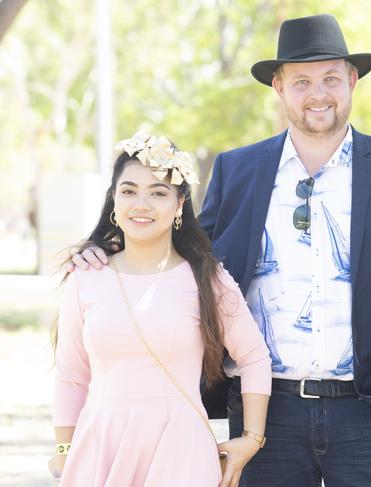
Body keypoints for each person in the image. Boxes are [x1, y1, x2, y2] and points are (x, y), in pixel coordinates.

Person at [71, 14, 371, 487]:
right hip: (264, 410)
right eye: (302, 81)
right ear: (279, 88)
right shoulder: (238, 169)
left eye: (330, 78)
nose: (318, 93)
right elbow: (184, 254)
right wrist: (106, 245)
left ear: (351, 81)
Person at [51, 133, 272, 487]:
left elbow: (254, 356)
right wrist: (64, 450)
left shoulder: (206, 278)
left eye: (158, 192)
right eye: (128, 191)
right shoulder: (86, 276)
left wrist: (251, 438)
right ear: (114, 199)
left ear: (180, 203)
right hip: (102, 444)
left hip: (181, 448)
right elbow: (71, 374)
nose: (141, 204)